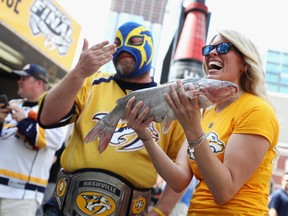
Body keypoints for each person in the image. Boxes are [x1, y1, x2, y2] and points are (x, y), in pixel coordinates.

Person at [37, 22, 186, 216]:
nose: (124, 47)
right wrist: (79, 72)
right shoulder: (92, 82)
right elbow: (47, 117)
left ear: (149, 46)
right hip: (66, 205)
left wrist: (161, 210)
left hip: (131, 209)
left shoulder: (171, 98)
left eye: (134, 41)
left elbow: (185, 169)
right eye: (117, 42)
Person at [125, 29, 280, 215]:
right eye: (208, 49)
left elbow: (224, 191)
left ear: (245, 64)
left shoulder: (256, 110)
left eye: (223, 47)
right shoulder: (206, 112)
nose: (213, 53)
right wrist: (145, 136)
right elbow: (179, 180)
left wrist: (193, 130)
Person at [0, 64, 67, 216]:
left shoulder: (53, 109)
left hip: (22, 194)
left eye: (24, 78)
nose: (19, 81)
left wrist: (23, 121)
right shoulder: (13, 104)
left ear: (39, 83)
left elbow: (54, 140)